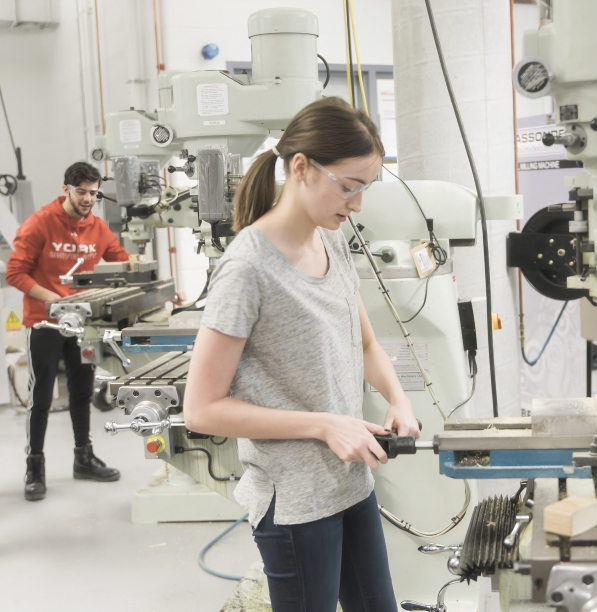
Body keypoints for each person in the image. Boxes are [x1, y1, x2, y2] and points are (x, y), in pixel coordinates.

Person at [183, 97, 418, 612]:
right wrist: (325, 425)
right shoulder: (248, 268)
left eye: (365, 189)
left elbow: (366, 343)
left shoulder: (330, 243)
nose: (357, 204)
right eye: (349, 186)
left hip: (349, 484)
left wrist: (398, 399)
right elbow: (200, 410)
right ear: (301, 168)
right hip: (294, 502)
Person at [6, 161, 128, 501]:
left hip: (82, 325)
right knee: (42, 397)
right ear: (65, 190)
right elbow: (15, 273)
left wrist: (148, 277)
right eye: (81, 193)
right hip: (44, 322)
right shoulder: (40, 223)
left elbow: (122, 262)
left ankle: (83, 458)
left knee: (81, 392)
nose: (88, 199)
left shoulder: (98, 228)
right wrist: (56, 301)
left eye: (93, 193)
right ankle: (35, 467)